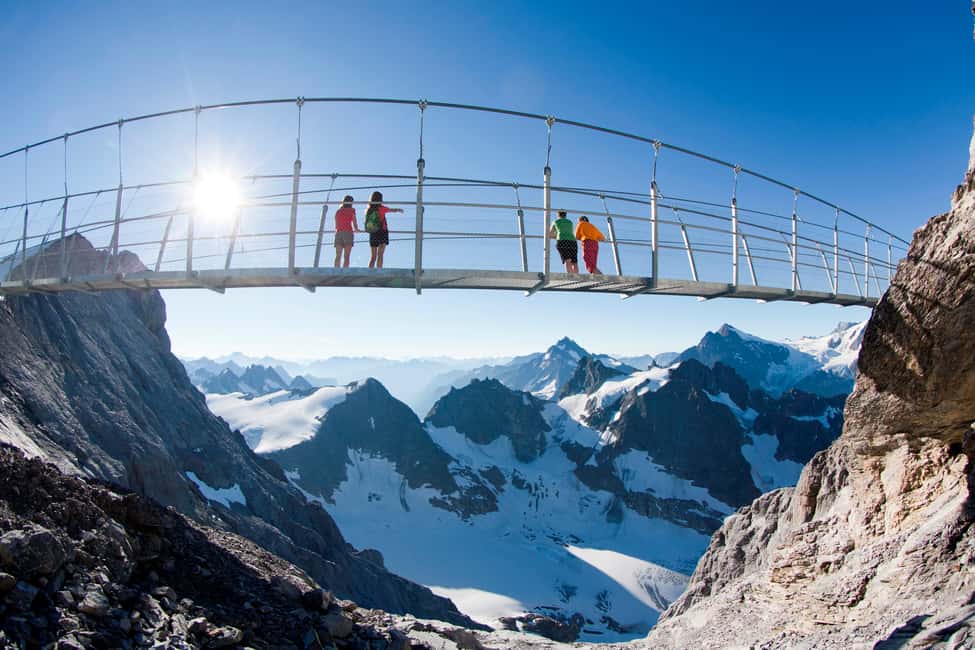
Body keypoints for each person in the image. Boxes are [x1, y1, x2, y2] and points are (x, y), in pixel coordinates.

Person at [364, 191, 403, 269]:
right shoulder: (382, 208)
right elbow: (392, 210)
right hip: (382, 231)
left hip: (373, 232)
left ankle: (369, 272)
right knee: (380, 254)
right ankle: (379, 270)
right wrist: (399, 210)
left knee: (373, 256)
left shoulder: (368, 210)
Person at [333, 195, 359, 268]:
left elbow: (336, 224)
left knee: (338, 255)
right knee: (346, 256)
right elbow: (354, 223)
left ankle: (336, 271)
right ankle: (344, 271)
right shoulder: (352, 210)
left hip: (338, 233)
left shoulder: (338, 211)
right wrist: (357, 229)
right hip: (348, 232)